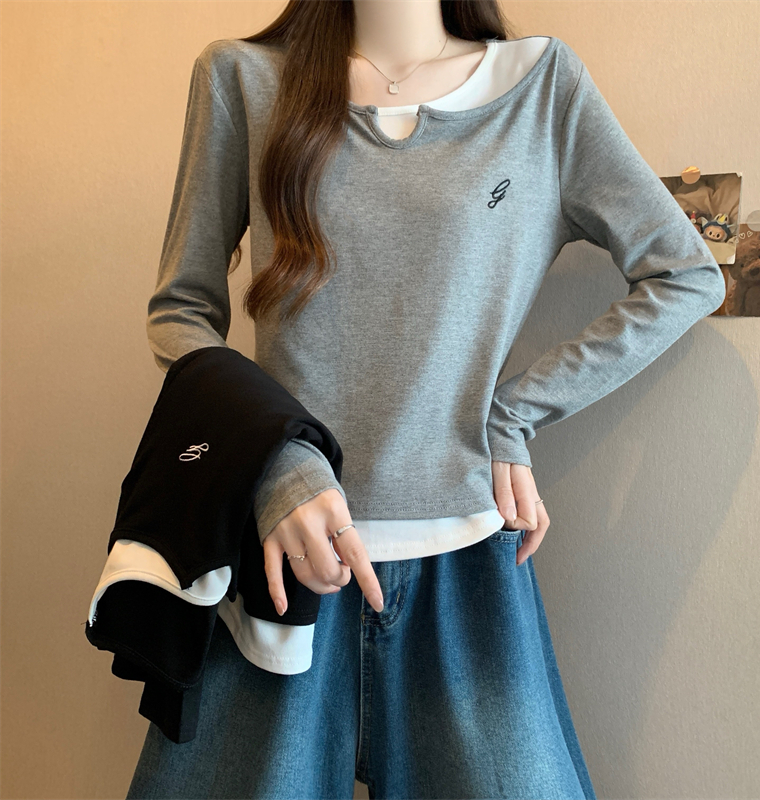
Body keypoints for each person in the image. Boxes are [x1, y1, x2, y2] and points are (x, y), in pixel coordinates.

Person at [126, 1, 726, 798]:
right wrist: (277, 464)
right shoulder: (242, 79)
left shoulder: (541, 87)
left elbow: (684, 275)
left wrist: (514, 414)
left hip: (468, 558)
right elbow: (180, 312)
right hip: (281, 561)